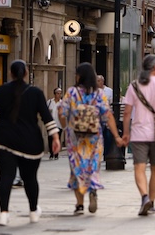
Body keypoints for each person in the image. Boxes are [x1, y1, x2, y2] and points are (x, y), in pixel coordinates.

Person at [0, 60, 60, 227]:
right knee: (30, 178)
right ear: (26, 73)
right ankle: (33, 211)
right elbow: (47, 117)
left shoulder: (0, 91)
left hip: (3, 140)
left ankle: (3, 214)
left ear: (10, 73)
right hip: (29, 142)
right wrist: (55, 137)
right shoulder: (35, 93)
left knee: (6, 176)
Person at [60, 63, 123, 215]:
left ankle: (79, 204)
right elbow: (108, 116)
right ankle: (93, 189)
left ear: (79, 76)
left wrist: (64, 125)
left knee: (77, 169)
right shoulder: (99, 94)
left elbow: (63, 115)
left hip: (75, 138)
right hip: (94, 138)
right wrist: (116, 136)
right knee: (91, 167)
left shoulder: (72, 93)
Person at [122, 54, 155, 217]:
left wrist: (126, 133)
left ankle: (144, 197)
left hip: (139, 134)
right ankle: (151, 202)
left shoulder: (134, 86)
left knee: (139, 167)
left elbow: (127, 113)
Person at [46, 88, 63, 159]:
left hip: (59, 124)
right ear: (54, 94)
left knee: (57, 138)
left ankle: (56, 154)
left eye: (60, 93)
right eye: (57, 93)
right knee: (50, 139)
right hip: (51, 124)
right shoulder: (49, 102)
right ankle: (51, 153)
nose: (59, 95)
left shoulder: (62, 103)